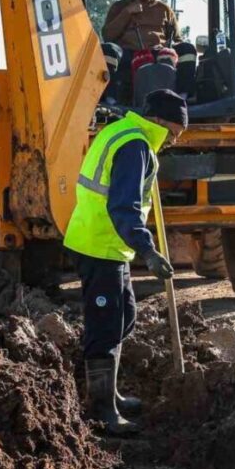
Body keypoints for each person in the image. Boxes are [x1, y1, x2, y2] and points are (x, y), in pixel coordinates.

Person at [63, 89, 187, 435]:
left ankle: (110, 393)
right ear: (161, 122)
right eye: (174, 133)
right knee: (105, 325)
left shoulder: (121, 131)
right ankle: (102, 411)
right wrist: (148, 251)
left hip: (106, 245)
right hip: (98, 246)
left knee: (125, 316)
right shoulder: (135, 148)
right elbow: (123, 208)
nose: (173, 141)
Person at [100, 0, 199, 98]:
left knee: (188, 49)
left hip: (159, 53)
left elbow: (177, 39)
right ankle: (110, 100)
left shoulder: (165, 10)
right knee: (107, 50)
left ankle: (183, 97)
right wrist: (127, 13)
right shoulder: (120, 7)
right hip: (129, 53)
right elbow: (107, 36)